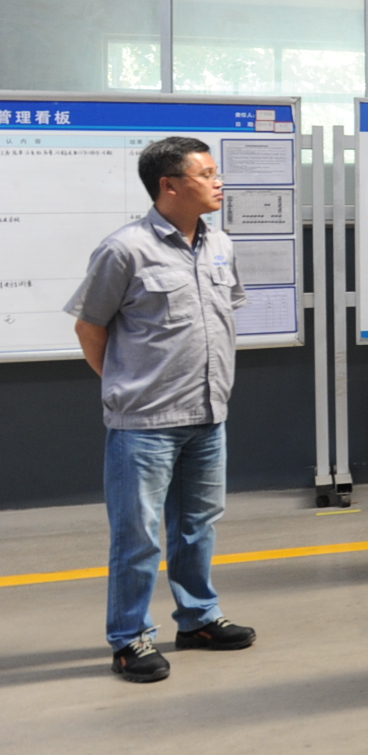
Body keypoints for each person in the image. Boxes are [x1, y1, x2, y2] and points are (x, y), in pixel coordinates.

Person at [68, 137, 258, 683]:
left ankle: (198, 619)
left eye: (216, 171)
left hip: (208, 414)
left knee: (198, 526)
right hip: (145, 424)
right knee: (138, 536)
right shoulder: (124, 249)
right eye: (206, 173)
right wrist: (124, 384)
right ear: (169, 185)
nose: (218, 181)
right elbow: (89, 326)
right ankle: (129, 638)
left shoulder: (220, 244)